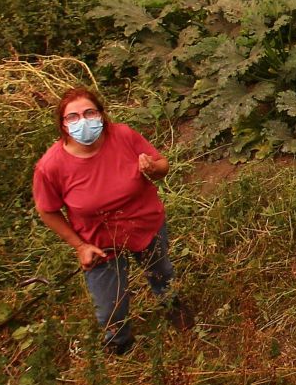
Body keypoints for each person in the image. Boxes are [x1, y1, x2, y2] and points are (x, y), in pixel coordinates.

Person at [32, 87, 184, 356]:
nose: (83, 120)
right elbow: (47, 210)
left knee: (162, 272)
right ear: (63, 125)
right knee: (110, 303)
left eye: (90, 112)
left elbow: (162, 165)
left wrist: (153, 168)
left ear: (101, 115)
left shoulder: (122, 136)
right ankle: (119, 343)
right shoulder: (51, 166)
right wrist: (80, 246)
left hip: (145, 225)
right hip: (99, 242)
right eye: (73, 116)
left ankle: (174, 308)